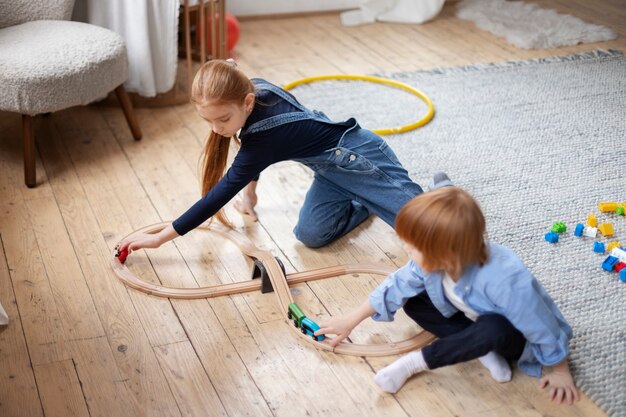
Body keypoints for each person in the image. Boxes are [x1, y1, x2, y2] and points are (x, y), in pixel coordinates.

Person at [118, 59, 449, 253]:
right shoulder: (250, 89)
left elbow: (218, 194)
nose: (217, 129)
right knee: (311, 236)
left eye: (222, 120)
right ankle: (367, 203)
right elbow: (253, 154)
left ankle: (441, 194)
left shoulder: (262, 136)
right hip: (330, 172)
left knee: (428, 233)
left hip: (359, 158)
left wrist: (161, 238)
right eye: (207, 120)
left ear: (247, 102)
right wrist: (251, 193)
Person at [314, 187, 579, 405]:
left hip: (510, 335)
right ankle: (481, 350)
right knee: (414, 301)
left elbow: (540, 324)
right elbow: (398, 284)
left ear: (445, 253)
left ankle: (415, 363)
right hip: (471, 318)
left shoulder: (506, 280)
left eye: (412, 246)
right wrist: (352, 319)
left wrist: (560, 370)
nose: (404, 247)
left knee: (492, 327)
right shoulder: (434, 260)